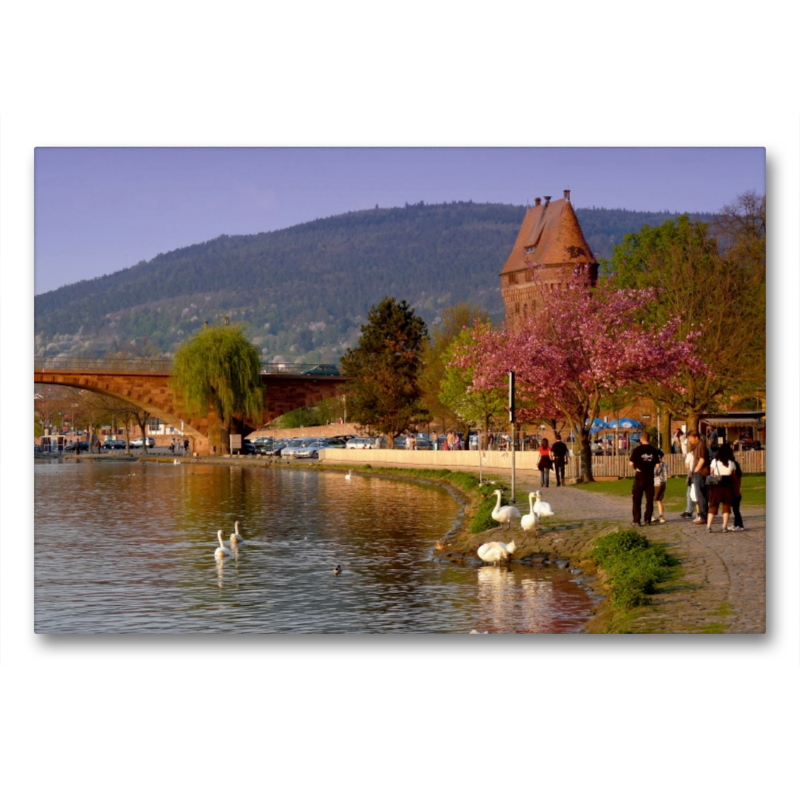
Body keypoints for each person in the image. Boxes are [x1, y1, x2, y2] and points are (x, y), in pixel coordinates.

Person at [629, 431, 660, 526]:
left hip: (640, 475)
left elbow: (631, 463)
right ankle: (648, 519)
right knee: (649, 499)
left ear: (641, 439)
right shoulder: (654, 450)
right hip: (650, 476)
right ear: (649, 439)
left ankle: (637, 520)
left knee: (637, 498)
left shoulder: (637, 450)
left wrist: (637, 467)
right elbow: (658, 465)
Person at [706, 442, 737, 533]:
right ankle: (724, 526)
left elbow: (711, 472)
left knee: (713, 506)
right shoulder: (731, 463)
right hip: (727, 486)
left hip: (716, 486)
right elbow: (734, 475)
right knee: (726, 506)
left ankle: (708, 526)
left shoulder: (714, 462)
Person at [686, 430, 709, 524]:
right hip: (697, 472)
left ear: (696, 437)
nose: (690, 440)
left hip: (700, 472)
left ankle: (703, 516)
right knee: (699, 494)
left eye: (691, 438)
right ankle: (702, 515)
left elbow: (702, 459)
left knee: (700, 494)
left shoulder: (701, 446)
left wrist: (696, 470)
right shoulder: (697, 446)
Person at [680, 446, 696, 519]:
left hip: (692, 474)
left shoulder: (691, 454)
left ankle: (689, 511)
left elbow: (687, 465)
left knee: (690, 493)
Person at [653, 451, 669, 523]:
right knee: (659, 500)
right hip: (663, 483)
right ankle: (661, 515)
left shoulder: (657, 465)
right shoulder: (665, 465)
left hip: (657, 483)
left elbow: (655, 473)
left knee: (653, 499)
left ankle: (652, 515)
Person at [731, 452, 745, 531]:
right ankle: (736, 524)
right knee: (735, 510)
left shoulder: (735, 475)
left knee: (736, 511)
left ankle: (740, 525)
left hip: (735, 494)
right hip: (737, 494)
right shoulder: (738, 474)